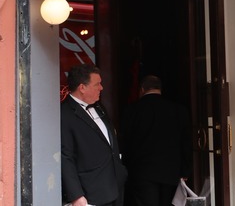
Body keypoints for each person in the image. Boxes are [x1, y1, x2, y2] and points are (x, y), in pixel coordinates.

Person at [61, 63, 127, 206]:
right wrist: (76, 195)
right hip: (92, 193)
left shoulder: (99, 106)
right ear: (82, 87)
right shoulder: (64, 114)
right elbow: (66, 157)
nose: (101, 88)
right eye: (97, 84)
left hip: (115, 186)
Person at [121, 75, 192, 206]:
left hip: (142, 172)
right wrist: (185, 170)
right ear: (160, 89)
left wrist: (125, 167)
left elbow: (125, 142)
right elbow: (186, 143)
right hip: (171, 171)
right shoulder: (179, 111)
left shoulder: (131, 110)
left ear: (142, 89)